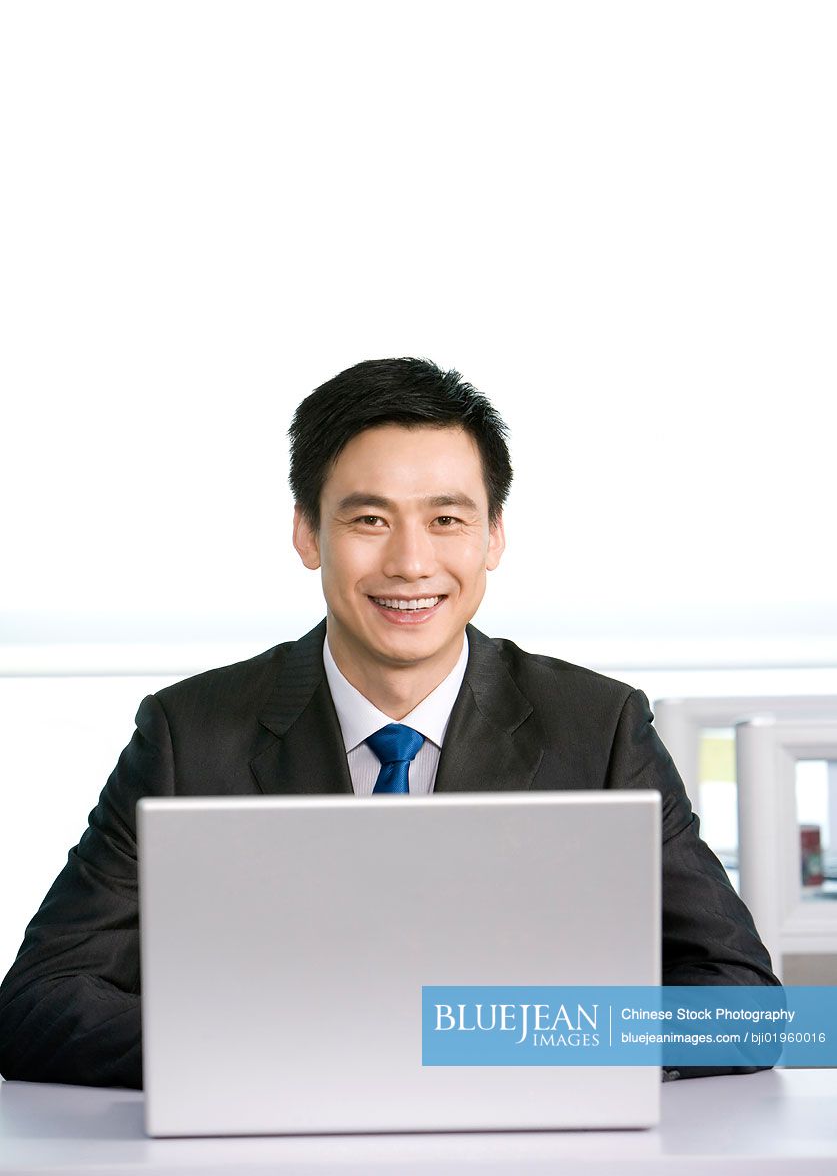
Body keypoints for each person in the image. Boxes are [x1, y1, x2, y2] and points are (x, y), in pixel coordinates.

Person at [0, 356, 778, 1090]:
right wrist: (288, 1052)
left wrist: (498, 1042)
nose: (410, 562)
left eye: (446, 519)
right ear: (308, 532)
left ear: (493, 535)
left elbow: (743, 1005)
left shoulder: (597, 725)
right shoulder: (188, 732)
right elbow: (38, 1003)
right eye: (369, 519)